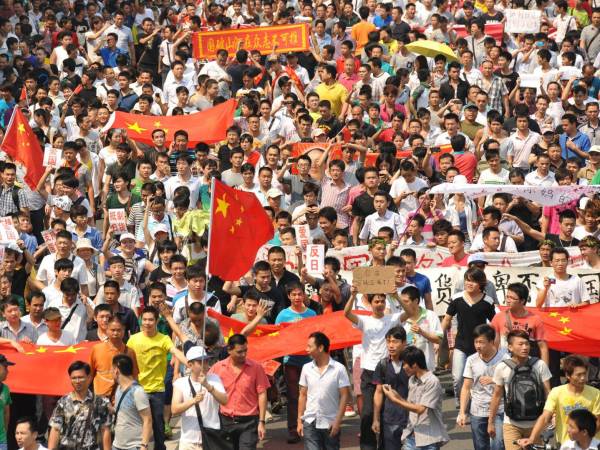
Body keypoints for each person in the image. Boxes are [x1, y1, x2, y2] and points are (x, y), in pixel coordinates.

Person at [344, 285, 401, 450]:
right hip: (368, 371)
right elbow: (346, 314)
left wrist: (396, 296)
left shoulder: (392, 319)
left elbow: (410, 313)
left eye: (383, 300)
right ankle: (368, 446)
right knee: (367, 413)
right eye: (377, 300)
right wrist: (352, 296)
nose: (380, 303)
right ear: (371, 303)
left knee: (386, 413)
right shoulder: (365, 320)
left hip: (387, 370)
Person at [126, 299, 188, 450]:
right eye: (144, 319)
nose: (147, 323)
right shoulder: (133, 339)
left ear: (156, 320)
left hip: (157, 390)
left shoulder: (164, 339)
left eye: (150, 320)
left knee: (158, 425)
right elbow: (126, 361)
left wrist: (189, 363)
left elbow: (175, 352)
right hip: (137, 389)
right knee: (137, 424)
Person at [488, 330, 552, 450]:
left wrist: (550, 416)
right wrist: (490, 422)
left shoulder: (540, 365)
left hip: (536, 424)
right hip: (511, 425)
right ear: (510, 347)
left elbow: (548, 393)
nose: (525, 347)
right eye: (520, 344)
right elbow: (496, 396)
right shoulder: (502, 367)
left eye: (527, 344)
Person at [519, 355, 600, 447]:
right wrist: (532, 438)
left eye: (584, 374)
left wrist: (582, 439)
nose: (583, 378)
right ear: (567, 375)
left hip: (590, 445)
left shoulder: (596, 393)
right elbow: (545, 417)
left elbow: (598, 422)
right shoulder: (557, 392)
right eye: (578, 375)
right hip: (565, 445)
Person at [380, 346, 449, 450]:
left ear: (415, 365)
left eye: (405, 364)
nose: (403, 367)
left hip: (429, 438)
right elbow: (411, 405)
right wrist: (396, 396)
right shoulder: (412, 380)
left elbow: (420, 409)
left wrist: (395, 400)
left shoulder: (432, 382)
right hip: (411, 435)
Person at [209, 334, 270, 450]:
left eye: (245, 351)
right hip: (225, 422)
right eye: (239, 352)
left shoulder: (256, 368)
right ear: (229, 350)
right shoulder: (217, 368)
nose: (243, 355)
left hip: (249, 423)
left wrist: (262, 422)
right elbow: (207, 390)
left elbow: (262, 394)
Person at [297, 331, 351, 450]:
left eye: (310, 346)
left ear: (321, 347)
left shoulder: (339, 369)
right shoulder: (306, 368)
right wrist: (299, 421)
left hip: (330, 423)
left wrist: (337, 421)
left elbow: (344, 396)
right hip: (310, 422)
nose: (307, 349)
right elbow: (302, 395)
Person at [457, 324, 507, 450]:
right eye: (476, 342)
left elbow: (511, 384)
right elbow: (466, 387)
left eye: (481, 342)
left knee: (498, 446)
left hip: (499, 410)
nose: (478, 345)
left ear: (491, 341)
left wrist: (495, 380)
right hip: (477, 411)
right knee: (480, 446)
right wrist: (462, 412)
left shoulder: (505, 359)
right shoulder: (471, 360)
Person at [172, 346, 228, 450]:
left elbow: (225, 401)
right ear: (190, 365)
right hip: (188, 441)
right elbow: (174, 409)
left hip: (212, 437)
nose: (205, 365)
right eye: (200, 362)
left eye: (206, 361)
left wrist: (209, 387)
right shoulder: (180, 383)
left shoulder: (215, 379)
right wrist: (193, 401)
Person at [48, 361, 112, 450]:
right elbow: (55, 429)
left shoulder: (100, 402)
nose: (77, 381)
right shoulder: (63, 402)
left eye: (81, 377)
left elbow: (105, 430)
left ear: (89, 378)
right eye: (74, 378)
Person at [372, 326, 409, 450]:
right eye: (388, 341)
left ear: (404, 343)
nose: (391, 345)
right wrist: (376, 419)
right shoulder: (382, 365)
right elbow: (378, 392)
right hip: (389, 419)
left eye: (395, 341)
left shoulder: (411, 363)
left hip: (411, 419)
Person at [111, 353, 152, 450]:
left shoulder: (138, 392)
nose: (110, 372)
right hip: (117, 445)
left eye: (112, 369)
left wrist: (144, 445)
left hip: (134, 446)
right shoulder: (118, 388)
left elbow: (148, 420)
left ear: (116, 370)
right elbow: (120, 412)